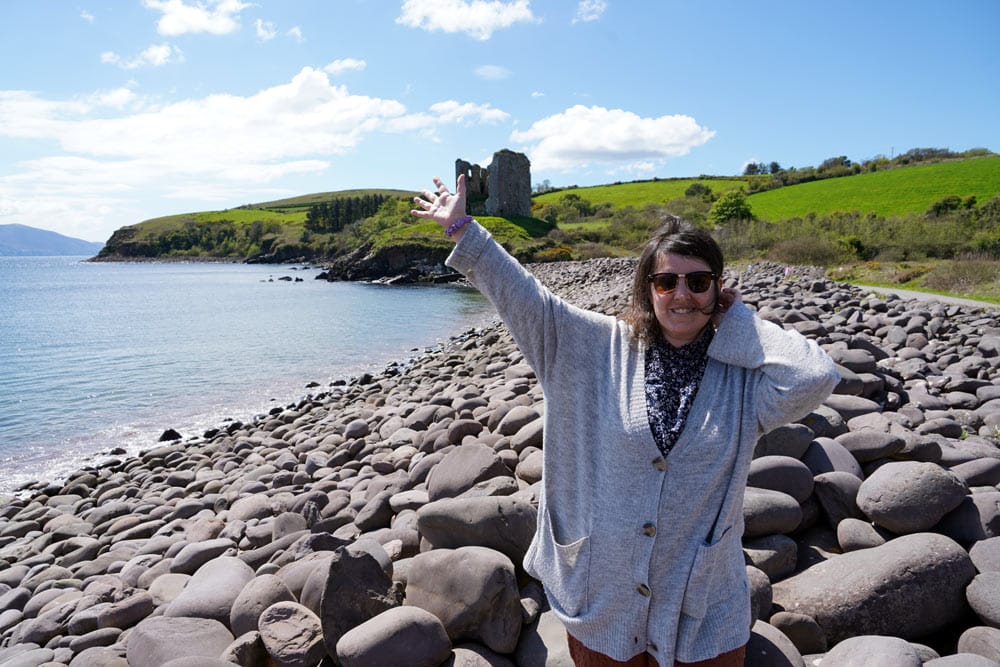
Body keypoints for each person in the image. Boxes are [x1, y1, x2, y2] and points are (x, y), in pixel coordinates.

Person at [412, 174, 839, 667]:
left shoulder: (744, 381)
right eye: (666, 281)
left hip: (702, 609)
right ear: (647, 288)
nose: (682, 295)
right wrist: (464, 228)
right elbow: (524, 296)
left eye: (698, 283)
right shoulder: (590, 346)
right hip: (603, 599)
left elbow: (815, 373)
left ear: (718, 291)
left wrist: (737, 320)